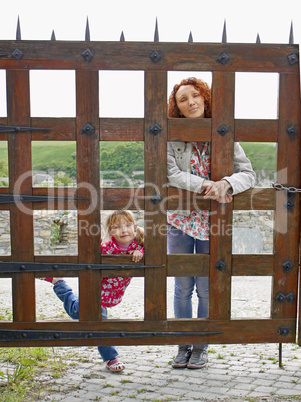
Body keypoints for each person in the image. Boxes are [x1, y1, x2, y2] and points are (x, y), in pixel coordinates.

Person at [167, 77, 256, 369]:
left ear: (205, 99)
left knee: (205, 288)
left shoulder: (225, 134)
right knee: (182, 287)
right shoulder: (173, 137)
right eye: (183, 99)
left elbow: (248, 174)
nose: (191, 102)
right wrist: (209, 184)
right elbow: (172, 175)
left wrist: (226, 184)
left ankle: (201, 346)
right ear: (177, 108)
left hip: (212, 222)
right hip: (179, 220)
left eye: (195, 96)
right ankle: (182, 345)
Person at [42, 210, 144, 373]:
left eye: (128, 225)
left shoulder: (138, 245)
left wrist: (141, 252)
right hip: (95, 292)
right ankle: (58, 282)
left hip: (113, 295)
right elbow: (89, 256)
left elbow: (152, 251)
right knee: (84, 317)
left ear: (135, 226)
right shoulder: (106, 247)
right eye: (117, 227)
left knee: (84, 315)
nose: (124, 230)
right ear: (111, 232)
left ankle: (59, 282)